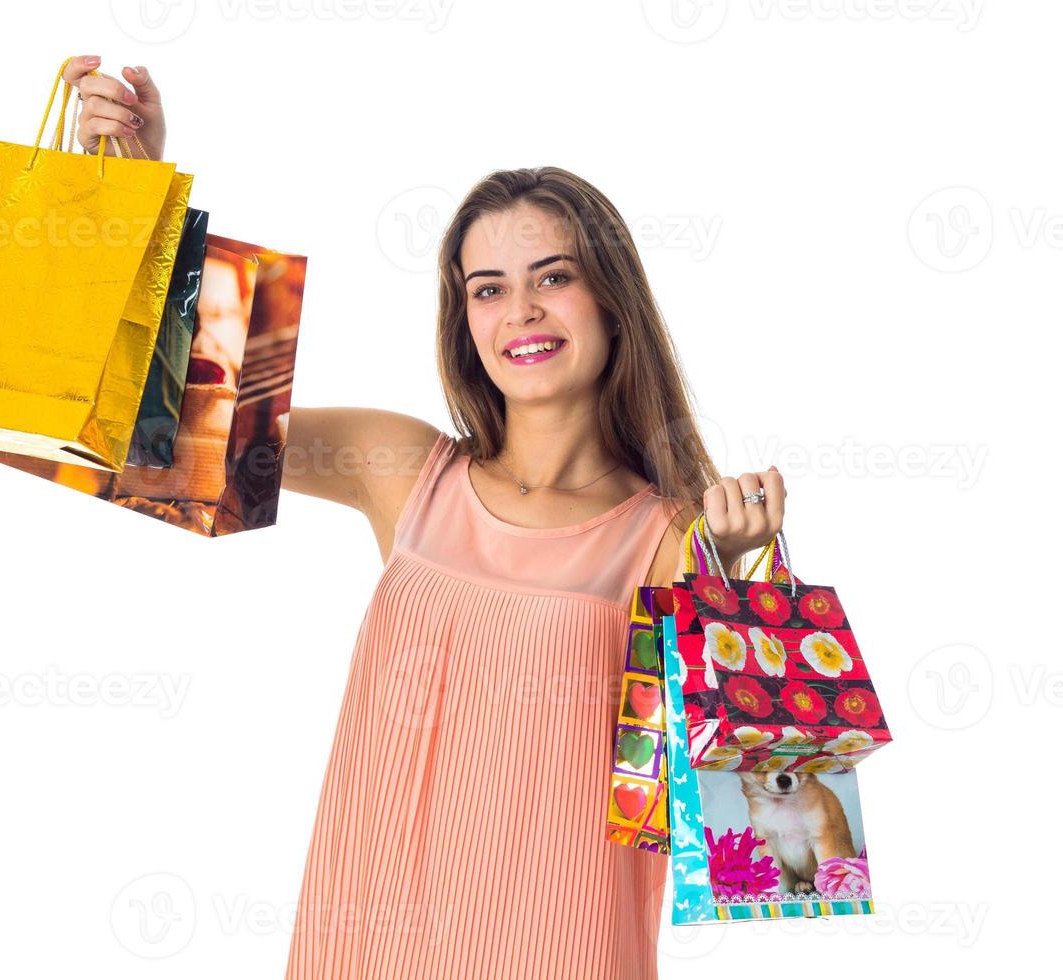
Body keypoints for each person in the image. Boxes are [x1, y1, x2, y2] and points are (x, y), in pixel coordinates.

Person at [65, 55, 789, 979]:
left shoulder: (671, 536)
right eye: (487, 287)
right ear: (464, 318)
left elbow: (759, 846)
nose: (519, 310)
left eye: (552, 276)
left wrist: (731, 588)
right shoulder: (407, 471)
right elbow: (155, 439)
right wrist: (134, 201)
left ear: (612, 297)